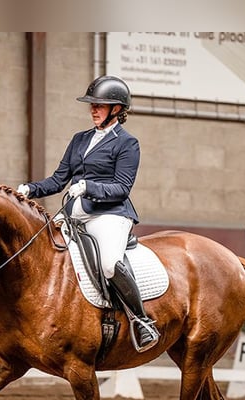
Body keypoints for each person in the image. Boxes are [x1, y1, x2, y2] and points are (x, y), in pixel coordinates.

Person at [17, 75, 159, 352]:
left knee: (109, 263)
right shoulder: (79, 139)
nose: (93, 109)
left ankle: (141, 321)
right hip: (74, 215)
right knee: (39, 247)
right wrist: (29, 189)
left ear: (116, 109)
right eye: (92, 105)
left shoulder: (128, 143)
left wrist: (87, 186)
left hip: (110, 214)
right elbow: (58, 180)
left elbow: (121, 187)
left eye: (100, 105)